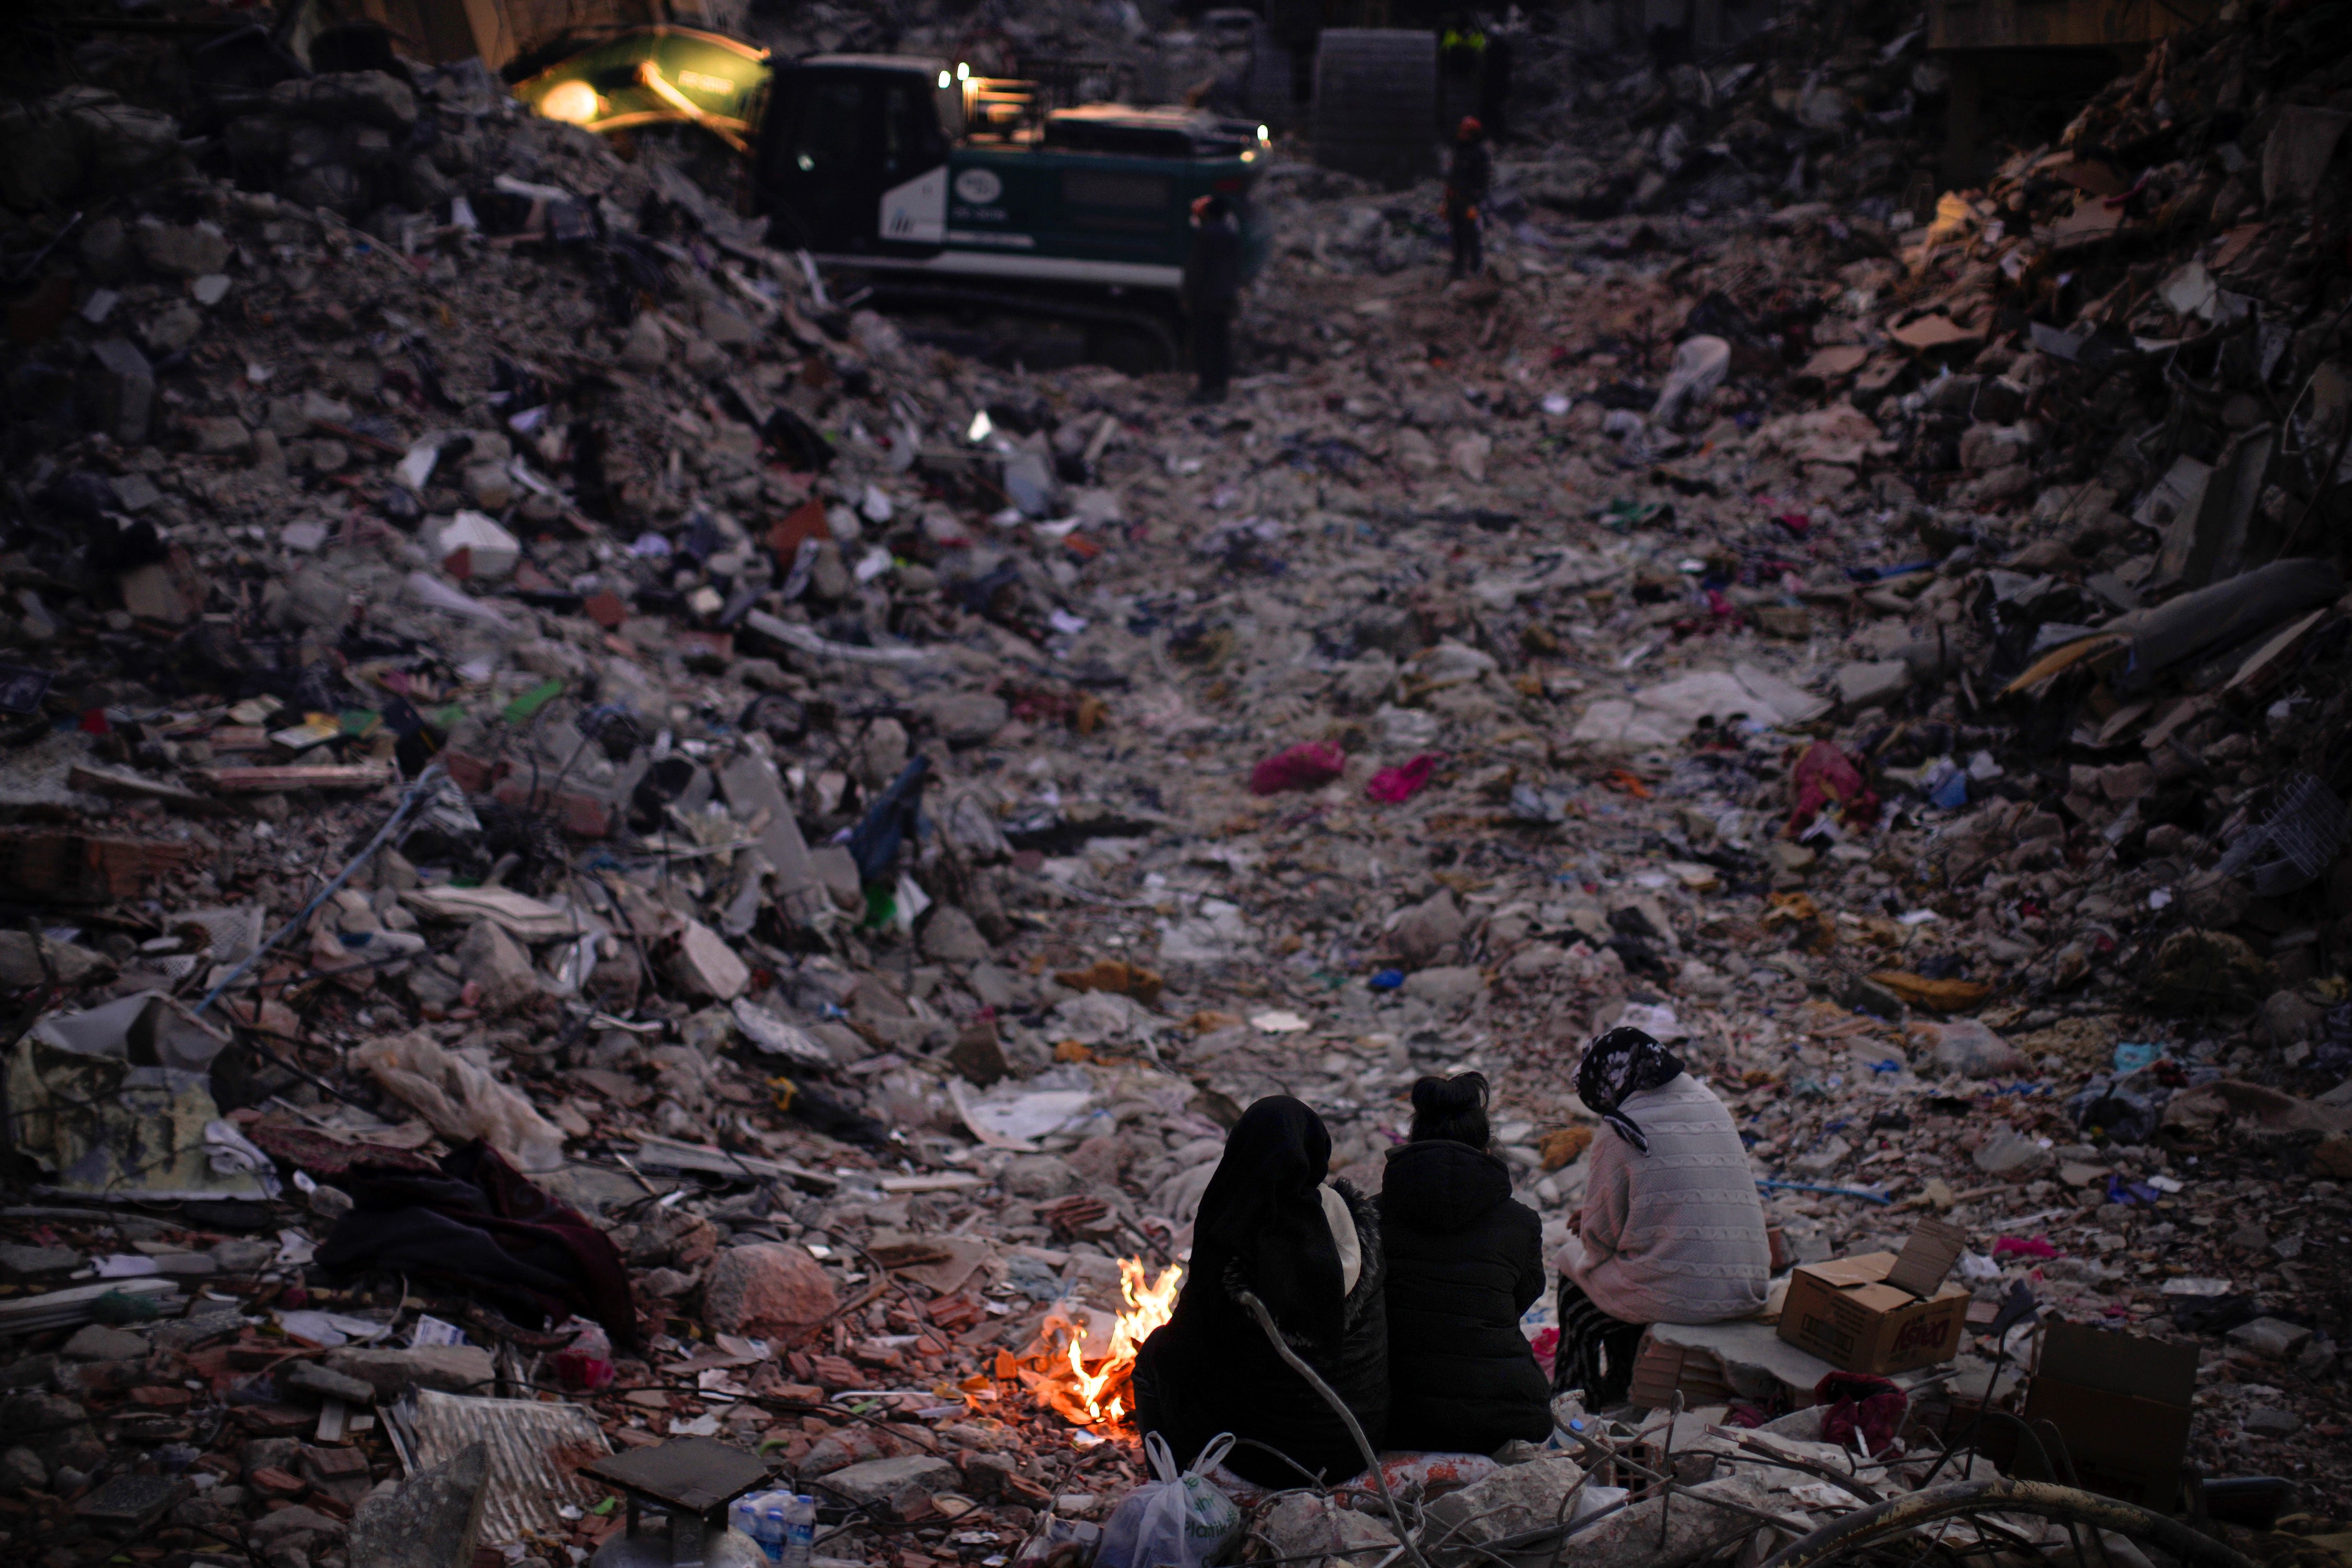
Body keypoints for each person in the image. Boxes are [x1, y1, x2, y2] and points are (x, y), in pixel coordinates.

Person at [1133, 1096, 1387, 1486]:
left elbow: (1184, 1353)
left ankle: (1169, 1488)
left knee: (1154, 1356)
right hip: (1357, 1442)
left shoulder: (1233, 1227)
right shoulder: (1355, 1222)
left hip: (1266, 1457)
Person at [1552, 1027, 1769, 1407]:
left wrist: (1589, 1220)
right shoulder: (1710, 1102)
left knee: (1575, 1273)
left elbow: (1598, 1240)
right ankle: (1626, 1375)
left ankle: (1574, 1395)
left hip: (1685, 1297)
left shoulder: (1621, 1128)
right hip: (1748, 1287)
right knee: (1638, 1263)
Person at [1378, 1073, 1553, 1453]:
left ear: (1413, 1140)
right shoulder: (1521, 1222)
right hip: (1500, 1414)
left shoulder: (1370, 1215)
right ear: (1485, 1145)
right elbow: (1520, 1298)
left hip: (1392, 1415)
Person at [1183, 194, 1240, 402]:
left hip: (1206, 300)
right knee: (1221, 344)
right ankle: (1220, 387)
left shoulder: (1204, 236)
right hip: (1224, 299)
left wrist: (1189, 295)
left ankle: (1207, 387)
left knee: (1205, 344)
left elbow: (1196, 270)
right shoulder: (1231, 235)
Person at [1444, 117, 1491, 281]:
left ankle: (1477, 267)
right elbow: (1452, 176)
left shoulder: (1479, 154)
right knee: (1456, 235)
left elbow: (1483, 180)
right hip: (1455, 199)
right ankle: (1457, 268)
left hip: (1469, 201)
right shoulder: (1459, 150)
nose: (1461, 135)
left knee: (1472, 234)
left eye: (1465, 132)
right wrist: (1446, 201)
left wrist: (1476, 203)